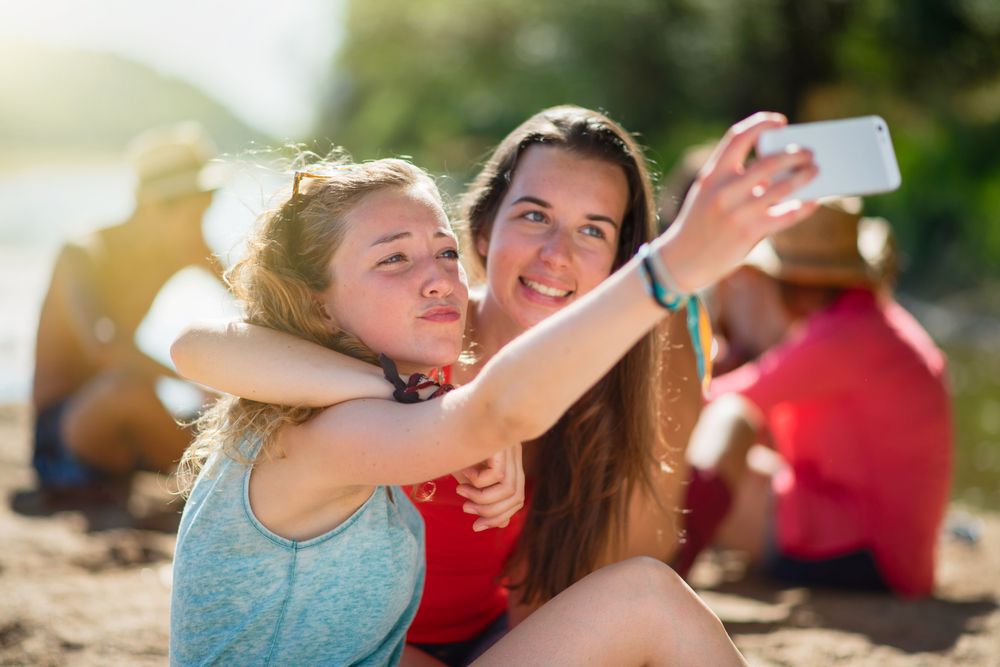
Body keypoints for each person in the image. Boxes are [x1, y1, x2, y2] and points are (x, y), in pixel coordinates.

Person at [169, 111, 818, 664]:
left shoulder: (438, 378)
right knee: (648, 598)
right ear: (489, 229)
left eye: (442, 253)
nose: (435, 278)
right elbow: (191, 343)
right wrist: (673, 267)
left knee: (646, 595)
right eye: (394, 258)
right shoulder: (336, 419)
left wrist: (431, 401)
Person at [675, 198, 953, 598]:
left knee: (723, 423)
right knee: (731, 448)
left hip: (873, 555)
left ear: (794, 289)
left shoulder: (841, 338)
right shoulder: (871, 323)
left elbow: (718, 401)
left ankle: (661, 563)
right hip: (895, 550)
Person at [31, 122, 224, 503]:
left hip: (129, 427)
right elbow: (104, 347)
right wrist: (193, 380)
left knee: (234, 399)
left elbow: (254, 300)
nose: (202, 222)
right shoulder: (85, 251)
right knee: (129, 389)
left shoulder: (177, 247)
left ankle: (217, 470)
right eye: (196, 211)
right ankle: (216, 480)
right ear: (155, 206)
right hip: (66, 435)